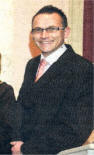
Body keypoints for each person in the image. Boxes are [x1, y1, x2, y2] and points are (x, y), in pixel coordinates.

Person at [11, 5, 93, 154]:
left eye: (51, 29)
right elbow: (21, 107)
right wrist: (16, 142)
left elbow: (76, 129)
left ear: (66, 32)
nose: (44, 35)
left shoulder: (83, 69)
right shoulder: (32, 65)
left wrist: (26, 149)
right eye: (38, 30)